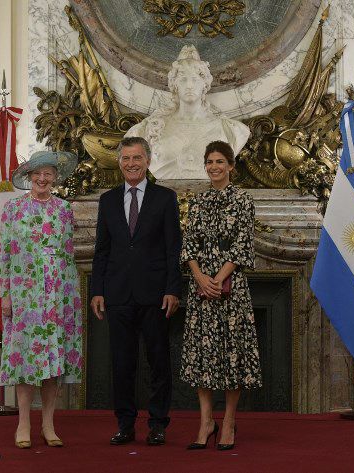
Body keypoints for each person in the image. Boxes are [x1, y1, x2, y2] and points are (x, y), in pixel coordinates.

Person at [91, 136, 182, 446]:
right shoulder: (107, 200)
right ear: (119, 163)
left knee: (158, 361)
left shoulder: (165, 198)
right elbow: (101, 250)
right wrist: (97, 290)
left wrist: (172, 288)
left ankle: (158, 423)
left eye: (137, 158)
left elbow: (173, 249)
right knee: (122, 363)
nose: (131, 163)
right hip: (117, 295)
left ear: (147, 161)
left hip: (156, 294)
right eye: (126, 159)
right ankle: (125, 424)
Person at [0, 150, 83, 448]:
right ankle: (23, 423)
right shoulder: (13, 209)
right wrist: (5, 295)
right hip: (25, 297)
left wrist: (72, 298)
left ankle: (48, 424)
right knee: (25, 360)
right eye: (38, 173)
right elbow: (4, 256)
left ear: (55, 178)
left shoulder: (63, 209)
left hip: (59, 297)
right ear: (29, 177)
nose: (43, 178)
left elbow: (68, 255)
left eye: (48, 174)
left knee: (53, 361)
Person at [180, 141, 262, 450]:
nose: (214, 166)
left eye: (220, 161)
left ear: (230, 166)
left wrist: (217, 278)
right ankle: (206, 421)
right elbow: (189, 245)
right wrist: (201, 278)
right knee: (202, 356)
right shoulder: (198, 201)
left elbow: (242, 244)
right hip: (201, 288)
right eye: (209, 162)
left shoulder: (242, 199)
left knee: (232, 355)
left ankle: (228, 421)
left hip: (231, 289)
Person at [125, 45, 250, 180]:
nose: (189, 85)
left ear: (205, 85)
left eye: (195, 80)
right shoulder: (149, 129)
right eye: (183, 79)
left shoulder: (233, 130)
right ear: (175, 85)